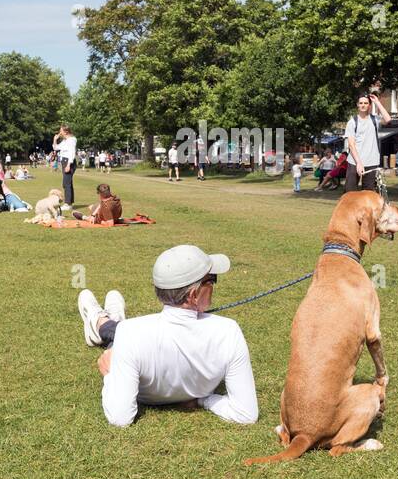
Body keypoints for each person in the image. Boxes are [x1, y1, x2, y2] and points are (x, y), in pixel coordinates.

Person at [76, 244, 258, 427]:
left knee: (117, 332)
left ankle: (101, 319)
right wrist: (204, 400)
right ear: (194, 294)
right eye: (211, 280)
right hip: (130, 338)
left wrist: (110, 375)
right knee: (117, 332)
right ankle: (101, 318)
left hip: (129, 341)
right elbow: (245, 413)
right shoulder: (228, 331)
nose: (213, 285)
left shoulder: (130, 332)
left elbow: (120, 418)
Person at [344, 91, 392, 192]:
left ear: (369, 105)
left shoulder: (375, 119)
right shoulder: (352, 122)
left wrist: (377, 102)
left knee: (369, 194)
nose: (363, 105)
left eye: (366, 103)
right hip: (354, 162)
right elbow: (351, 145)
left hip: (371, 161)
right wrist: (359, 163)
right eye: (361, 103)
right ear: (357, 105)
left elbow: (388, 119)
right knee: (350, 193)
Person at [52, 125, 77, 206]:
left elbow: (72, 153)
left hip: (68, 162)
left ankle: (67, 204)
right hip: (64, 161)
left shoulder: (72, 140)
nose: (60, 132)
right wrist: (55, 140)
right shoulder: (65, 140)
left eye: (61, 131)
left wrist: (68, 165)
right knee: (67, 183)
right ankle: (70, 203)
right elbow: (56, 148)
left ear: (66, 131)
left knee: (66, 183)